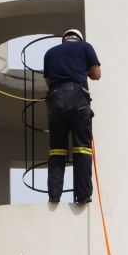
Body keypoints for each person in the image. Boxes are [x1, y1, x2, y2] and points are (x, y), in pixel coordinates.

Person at [42, 28, 100, 205]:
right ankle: (82, 196)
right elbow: (97, 75)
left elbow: (48, 82)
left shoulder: (49, 53)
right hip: (78, 100)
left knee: (57, 150)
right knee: (82, 149)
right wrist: (84, 71)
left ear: (64, 40)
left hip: (55, 101)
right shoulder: (85, 47)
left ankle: (54, 195)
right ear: (78, 39)